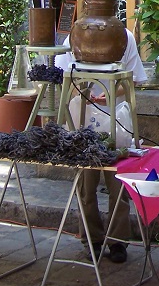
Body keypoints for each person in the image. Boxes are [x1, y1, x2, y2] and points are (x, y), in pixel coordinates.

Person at [55, 29, 147, 264]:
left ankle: (118, 241)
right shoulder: (75, 36)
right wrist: (85, 93)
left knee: (118, 185)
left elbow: (133, 80)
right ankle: (92, 239)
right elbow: (65, 78)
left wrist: (109, 95)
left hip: (115, 119)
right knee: (86, 186)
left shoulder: (124, 36)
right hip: (83, 118)